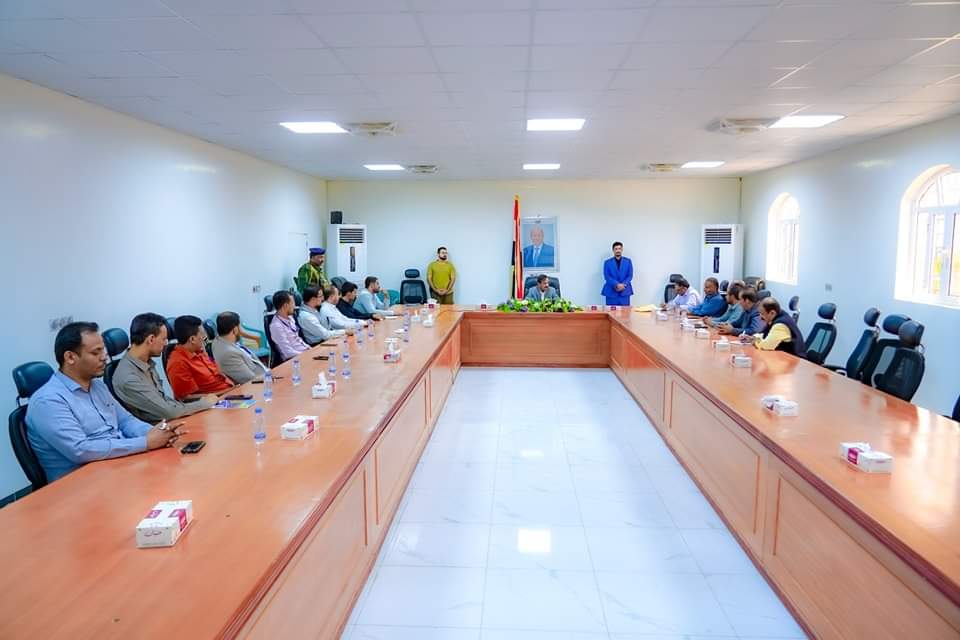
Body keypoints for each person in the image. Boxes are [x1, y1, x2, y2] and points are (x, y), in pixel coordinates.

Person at [26, 322, 185, 483]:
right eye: (96, 352)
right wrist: (146, 442)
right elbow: (80, 450)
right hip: (82, 484)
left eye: (103, 350)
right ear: (70, 357)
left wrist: (158, 433)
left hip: (117, 466)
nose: (104, 357)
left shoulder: (97, 386)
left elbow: (126, 421)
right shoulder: (47, 401)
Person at [113, 313, 218, 423]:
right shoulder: (128, 377)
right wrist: (204, 403)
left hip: (170, 421)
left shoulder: (146, 362)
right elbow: (168, 412)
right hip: (157, 428)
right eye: (164, 339)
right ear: (151, 339)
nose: (165, 344)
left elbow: (163, 400)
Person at [166, 315, 234, 400]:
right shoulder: (178, 363)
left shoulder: (198, 351)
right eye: (202, 334)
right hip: (217, 401)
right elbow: (185, 398)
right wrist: (225, 392)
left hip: (230, 391)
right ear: (192, 339)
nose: (205, 337)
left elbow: (218, 375)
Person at [211, 311, 269, 384]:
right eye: (239, 327)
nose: (241, 330)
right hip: (260, 383)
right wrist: (270, 376)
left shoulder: (219, 341)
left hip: (264, 374)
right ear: (235, 330)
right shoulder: (229, 353)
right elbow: (250, 379)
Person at [269, 290, 311, 361]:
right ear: (285, 305)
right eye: (293, 303)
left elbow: (298, 339)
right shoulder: (276, 326)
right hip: (295, 359)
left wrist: (310, 349)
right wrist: (306, 355)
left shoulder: (290, 318)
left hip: (304, 352)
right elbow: (288, 353)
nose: (294, 306)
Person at [601, 241, 633, 306]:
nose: (618, 250)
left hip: (624, 292)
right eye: (616, 249)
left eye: (619, 249)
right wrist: (617, 284)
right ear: (613, 250)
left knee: (625, 312)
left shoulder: (628, 261)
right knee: (610, 311)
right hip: (611, 292)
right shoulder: (607, 262)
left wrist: (623, 285)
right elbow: (607, 276)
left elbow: (630, 275)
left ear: (622, 249)